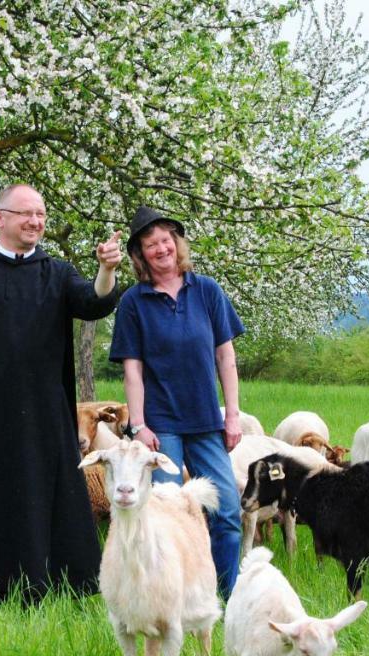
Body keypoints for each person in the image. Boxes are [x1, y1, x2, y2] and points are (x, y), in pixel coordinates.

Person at [0, 184, 123, 600]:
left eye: (41, 215)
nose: (35, 222)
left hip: (41, 413)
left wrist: (106, 270)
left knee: (39, 493)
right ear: (0, 217)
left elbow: (93, 302)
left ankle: (44, 584)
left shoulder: (57, 272)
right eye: (26, 213)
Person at [108, 206, 246, 596]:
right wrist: (139, 425)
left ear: (177, 244)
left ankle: (225, 596)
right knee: (167, 513)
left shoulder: (207, 291)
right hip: (160, 427)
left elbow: (226, 357)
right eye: (151, 245)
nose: (161, 249)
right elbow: (132, 370)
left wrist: (232, 416)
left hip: (206, 421)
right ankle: (171, 596)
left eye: (166, 240)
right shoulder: (134, 303)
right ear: (140, 256)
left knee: (227, 511)